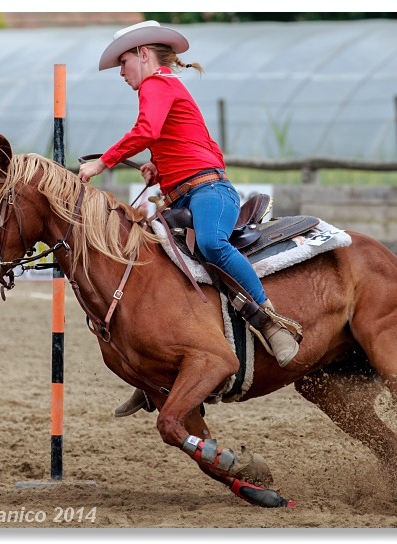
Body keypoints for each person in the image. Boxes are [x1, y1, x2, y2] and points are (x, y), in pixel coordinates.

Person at [79, 21, 300, 417]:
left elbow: (147, 129)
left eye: (124, 62)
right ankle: (154, 374)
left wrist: (103, 162)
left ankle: (270, 320)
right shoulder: (166, 87)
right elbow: (188, 139)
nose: (122, 72)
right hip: (187, 193)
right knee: (153, 262)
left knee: (213, 244)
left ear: (144, 54)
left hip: (208, 192)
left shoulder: (156, 85)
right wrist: (158, 166)